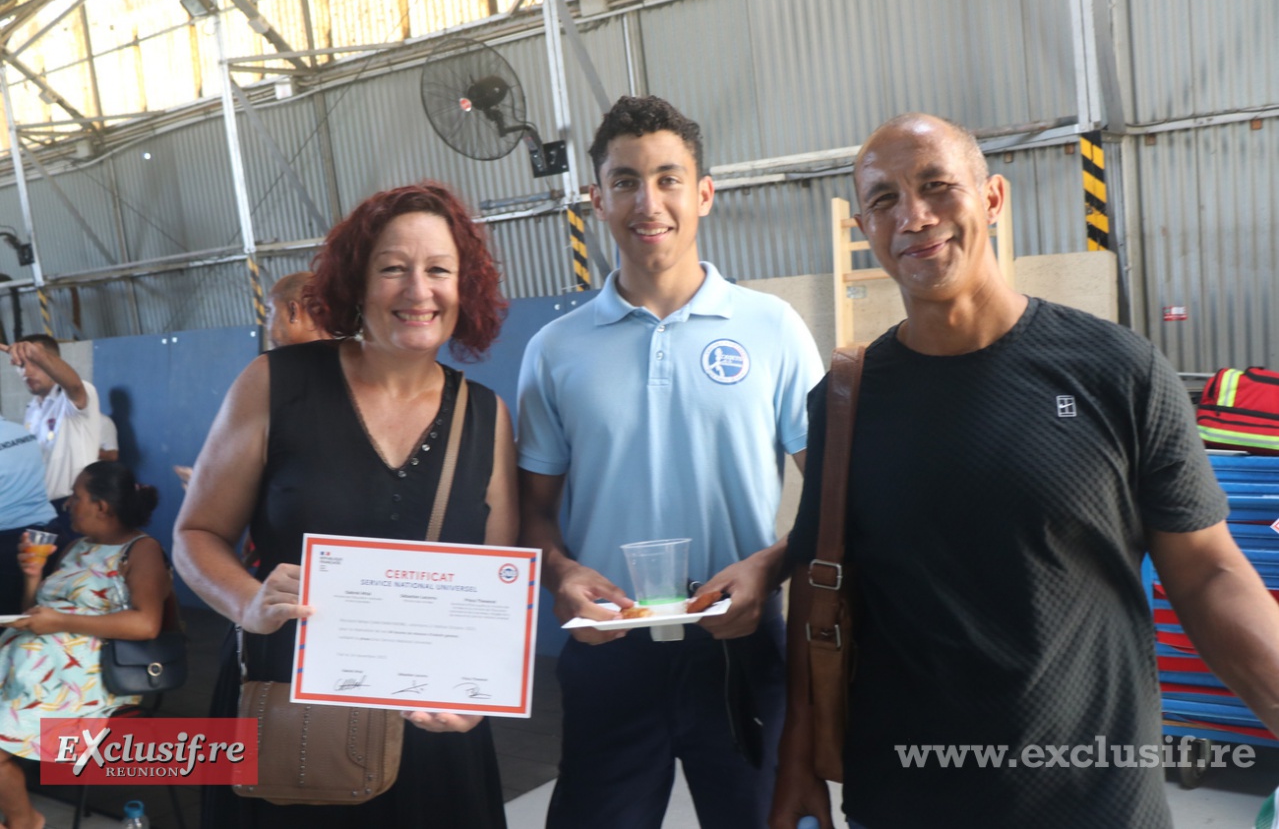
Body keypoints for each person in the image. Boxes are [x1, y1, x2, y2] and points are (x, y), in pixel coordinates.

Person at [769, 113, 1279, 829]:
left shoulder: (1116, 371)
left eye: (937, 186)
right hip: (909, 798)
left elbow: (1207, 573)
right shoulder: (845, 402)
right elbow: (819, 579)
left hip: (1098, 802)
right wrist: (797, 754)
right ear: (865, 227)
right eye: (884, 200)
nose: (913, 216)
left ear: (992, 198)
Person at [517, 95, 823, 829]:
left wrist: (769, 568)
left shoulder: (772, 328)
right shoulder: (554, 350)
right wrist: (560, 576)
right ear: (596, 200)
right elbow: (532, 513)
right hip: (608, 647)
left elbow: (833, 496)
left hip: (741, 640)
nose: (647, 202)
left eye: (667, 179)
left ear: (704, 194)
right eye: (624, 181)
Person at [174, 180, 516, 829]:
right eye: (393, 268)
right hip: (290, 722)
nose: (418, 290)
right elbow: (195, 534)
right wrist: (246, 602)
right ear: (357, 282)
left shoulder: (485, 417)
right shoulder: (275, 384)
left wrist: (480, 693)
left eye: (438, 270)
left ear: (464, 288)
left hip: (432, 730)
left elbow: (497, 589)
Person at [0, 461, 167, 829]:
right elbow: (38, 614)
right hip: (29, 672)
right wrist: (33, 576)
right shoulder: (75, 547)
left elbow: (146, 623)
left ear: (101, 506)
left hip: (87, 683)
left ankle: (24, 820)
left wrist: (59, 622)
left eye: (76, 497)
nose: (67, 504)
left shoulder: (142, 550)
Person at [1, 335, 102, 524]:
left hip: (73, 505)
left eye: (35, 363)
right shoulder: (32, 408)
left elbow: (74, 385)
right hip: (42, 508)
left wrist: (37, 354)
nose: (26, 372)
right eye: (21, 365)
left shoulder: (75, 396)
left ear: (52, 362)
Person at [0, 417, 56, 615]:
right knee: (29, 612)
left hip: (8, 539)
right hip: (44, 532)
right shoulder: (22, 432)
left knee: (11, 617)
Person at [266, 270, 331, 348]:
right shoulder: (342, 353)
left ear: (293, 312)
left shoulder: (270, 357)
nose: (266, 325)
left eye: (270, 312)